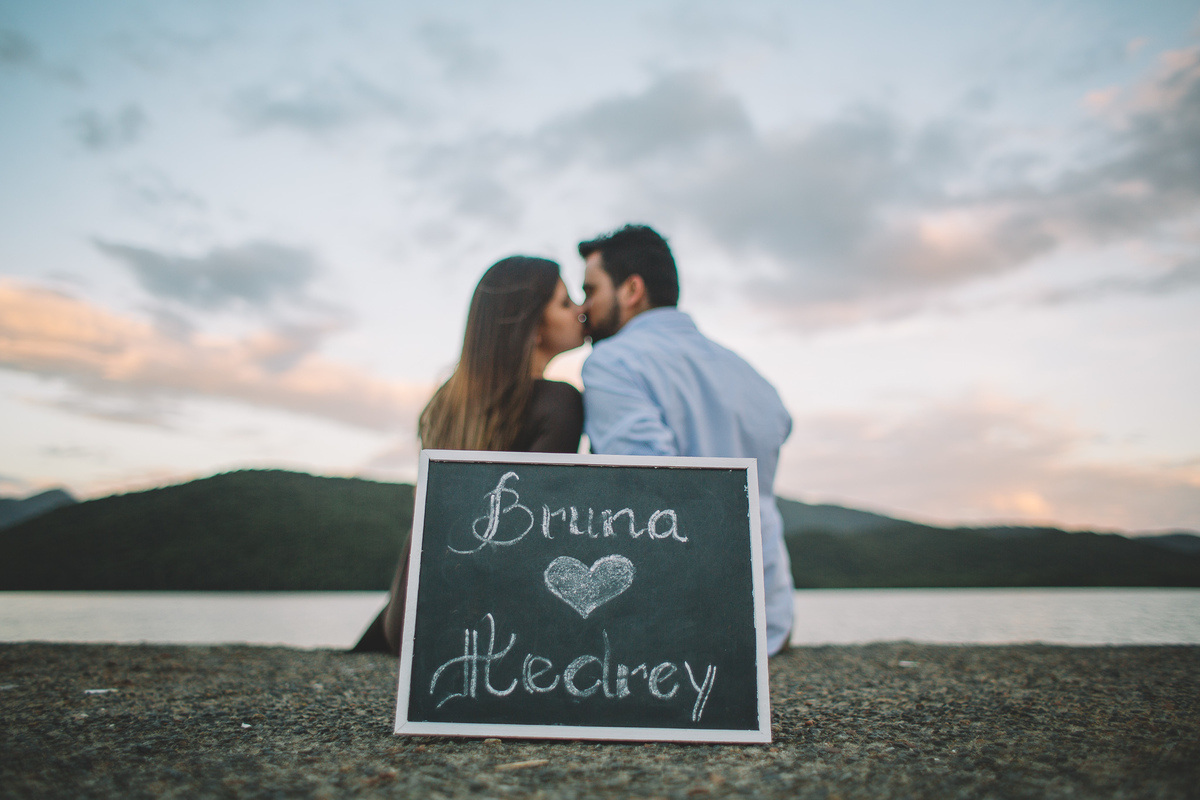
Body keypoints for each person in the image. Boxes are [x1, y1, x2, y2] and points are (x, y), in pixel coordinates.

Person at [577, 224, 795, 656]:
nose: (584, 307)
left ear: (631, 289)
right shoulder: (753, 378)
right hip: (768, 614)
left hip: (678, 625)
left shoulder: (612, 362)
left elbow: (646, 490)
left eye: (591, 289)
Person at [352, 255, 586, 654]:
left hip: (411, 611)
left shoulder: (447, 401)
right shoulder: (558, 401)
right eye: (565, 303)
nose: (582, 311)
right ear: (531, 327)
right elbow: (534, 535)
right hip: (479, 626)